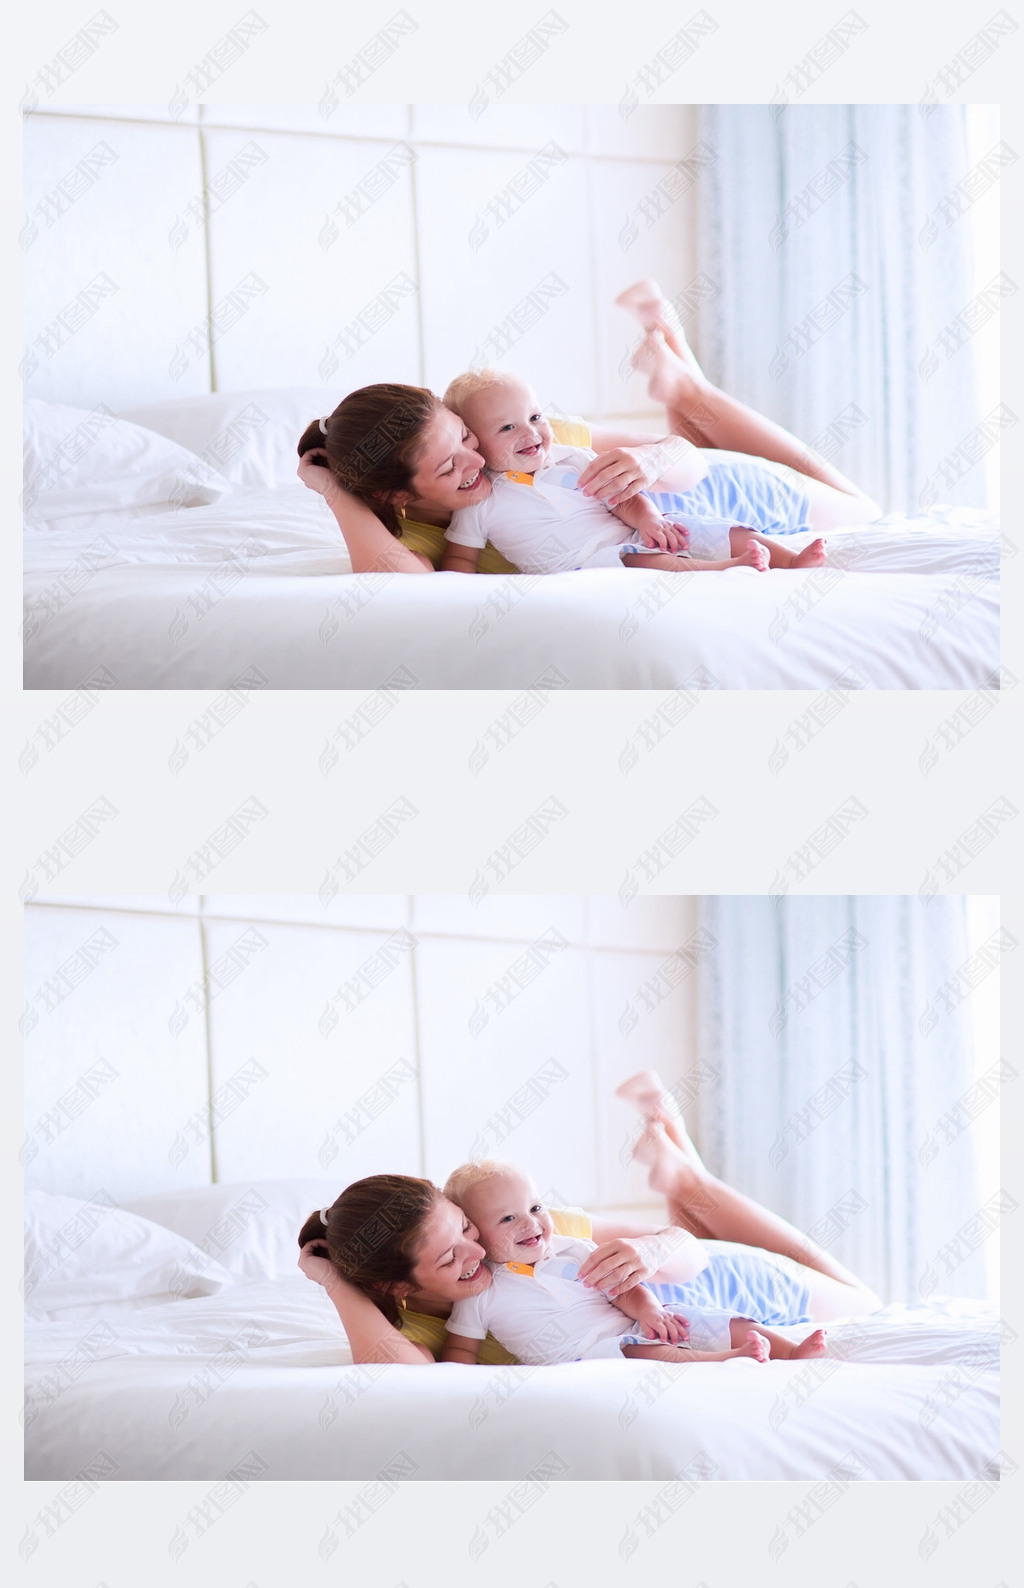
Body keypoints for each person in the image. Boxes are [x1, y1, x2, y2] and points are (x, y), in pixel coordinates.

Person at [295, 278, 881, 576]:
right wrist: (336, 493)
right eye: (449, 467)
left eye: (467, 438)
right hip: (661, 528)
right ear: (396, 495)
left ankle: (687, 390)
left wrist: (653, 459)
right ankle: (680, 378)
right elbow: (405, 586)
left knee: (865, 510)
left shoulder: (536, 441)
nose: (477, 461)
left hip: (706, 494)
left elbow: (687, 464)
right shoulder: (416, 535)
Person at [296, 1075, 880, 1366]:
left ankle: (686, 1182)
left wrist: (652, 1251)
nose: (477, 1253)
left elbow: (689, 1256)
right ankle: (679, 1169)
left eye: (467, 1231)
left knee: (864, 1301)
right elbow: (408, 1378)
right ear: (397, 1286)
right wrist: (335, 1282)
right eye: (449, 1258)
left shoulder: (536, 1233)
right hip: (660, 1322)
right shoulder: (415, 1326)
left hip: (706, 1285)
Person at [439, 1160, 828, 1366]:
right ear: (473, 1231)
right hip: (586, 1354)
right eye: (507, 1219)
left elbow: (621, 1288)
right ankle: (725, 1361)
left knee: (711, 1319)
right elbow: (460, 1351)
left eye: (536, 1207)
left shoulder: (570, 1248)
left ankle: (790, 1351)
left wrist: (652, 1312)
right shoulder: (482, 1290)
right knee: (640, 1352)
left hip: (632, 1324)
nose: (531, 1222)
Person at [438, 370, 828, 575]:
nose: (530, 432)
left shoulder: (570, 458)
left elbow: (620, 497)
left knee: (711, 528)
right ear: (473, 440)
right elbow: (460, 560)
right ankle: (724, 570)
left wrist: (652, 521)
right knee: (640, 561)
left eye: (536, 416)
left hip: (632, 533)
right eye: (507, 428)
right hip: (587, 564)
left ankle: (789, 559)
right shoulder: (481, 500)